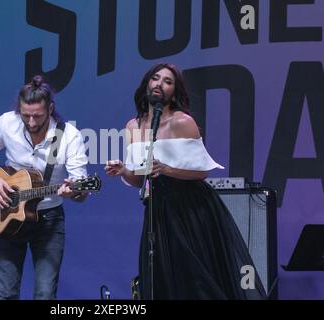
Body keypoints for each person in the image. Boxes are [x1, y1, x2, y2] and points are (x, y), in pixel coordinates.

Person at [105, 63, 267, 299]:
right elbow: (140, 178)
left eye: (168, 81)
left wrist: (168, 169)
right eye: (156, 78)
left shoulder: (182, 122)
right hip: (157, 210)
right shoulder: (133, 126)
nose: (160, 84)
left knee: (195, 278)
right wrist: (122, 170)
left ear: (174, 92)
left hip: (190, 208)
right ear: (147, 84)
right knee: (159, 275)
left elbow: (201, 173)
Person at [0, 75, 88, 300]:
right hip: (6, 216)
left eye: (38, 116)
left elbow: (80, 190)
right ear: (19, 110)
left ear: (50, 108)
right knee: (5, 295)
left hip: (48, 222)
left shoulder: (68, 136)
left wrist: (75, 190)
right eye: (26, 116)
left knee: (45, 295)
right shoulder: (7, 122)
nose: (32, 122)